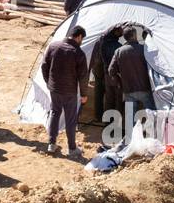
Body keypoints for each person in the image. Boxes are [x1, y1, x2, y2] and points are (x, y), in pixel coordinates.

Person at [41, 23, 87, 158]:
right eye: (82, 39)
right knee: (70, 118)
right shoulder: (78, 53)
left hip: (54, 89)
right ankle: (72, 148)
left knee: (54, 113)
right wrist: (84, 94)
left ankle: (51, 143)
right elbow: (83, 77)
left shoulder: (53, 46)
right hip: (69, 91)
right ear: (78, 37)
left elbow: (44, 65)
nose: (81, 41)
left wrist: (49, 83)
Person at [107, 26, 154, 122]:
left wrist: (120, 82)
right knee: (152, 115)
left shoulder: (119, 51)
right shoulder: (144, 49)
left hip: (128, 89)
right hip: (144, 87)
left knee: (131, 118)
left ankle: (132, 136)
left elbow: (111, 71)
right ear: (135, 35)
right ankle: (153, 134)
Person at [87, 24, 124, 125]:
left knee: (100, 95)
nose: (122, 30)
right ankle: (112, 122)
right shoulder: (116, 46)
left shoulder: (99, 41)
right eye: (120, 29)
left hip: (98, 71)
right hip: (107, 74)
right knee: (113, 98)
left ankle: (99, 117)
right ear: (115, 31)